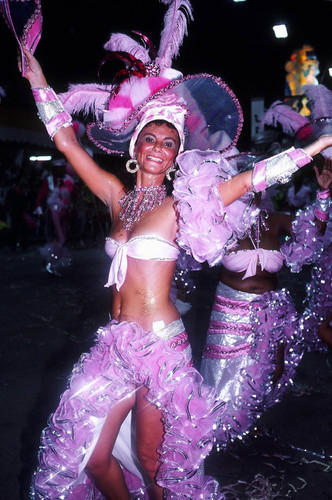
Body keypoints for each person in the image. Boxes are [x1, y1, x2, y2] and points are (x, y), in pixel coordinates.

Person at [17, 2, 332, 499]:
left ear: (177, 153)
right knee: (92, 458)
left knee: (155, 461)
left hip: (161, 348)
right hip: (113, 344)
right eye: (152, 137)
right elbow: (67, 142)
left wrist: (316, 148)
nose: (159, 146)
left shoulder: (181, 205)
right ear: (135, 146)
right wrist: (38, 80)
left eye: (170, 141)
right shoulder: (116, 198)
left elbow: (252, 178)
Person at [199, 153, 332, 449]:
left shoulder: (277, 220)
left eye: (260, 181)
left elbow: (312, 236)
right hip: (231, 310)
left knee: (272, 372)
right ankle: (219, 433)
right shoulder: (222, 221)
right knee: (227, 376)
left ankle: (247, 426)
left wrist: (323, 194)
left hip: (270, 311)